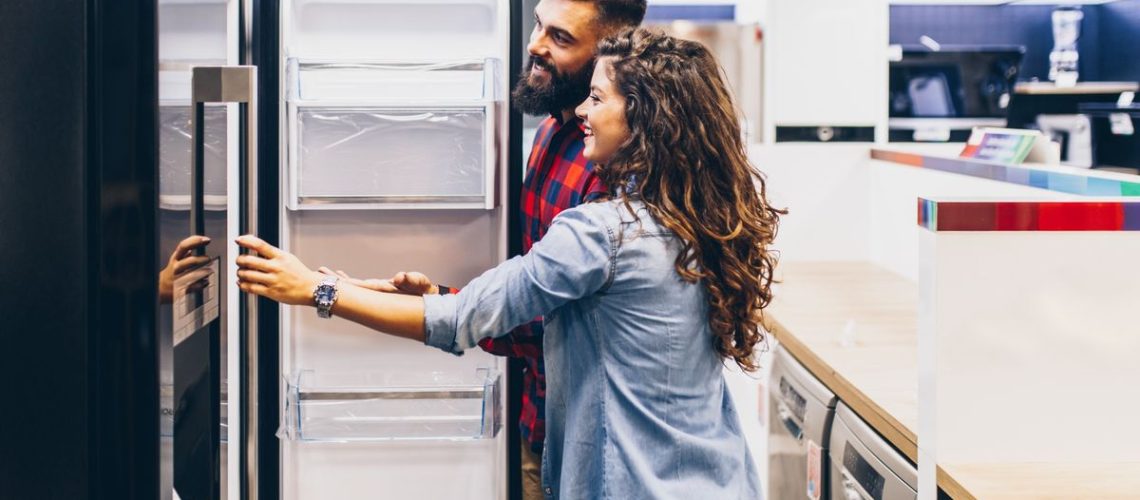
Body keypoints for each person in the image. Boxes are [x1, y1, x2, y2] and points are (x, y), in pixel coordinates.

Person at [236, 28, 781, 499]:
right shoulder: (698, 217)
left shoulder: (602, 232)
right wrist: (424, 296)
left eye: (596, 99)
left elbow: (459, 321)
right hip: (717, 478)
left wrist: (314, 292)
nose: (583, 114)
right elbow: (538, 311)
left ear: (642, 116)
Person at [320, 1, 646, 498]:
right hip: (540, 418)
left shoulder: (611, 175)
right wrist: (441, 296)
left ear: (610, 55)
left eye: (560, 38)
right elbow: (530, 286)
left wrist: (320, 292)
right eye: (539, 24)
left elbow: (553, 322)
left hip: (595, 442)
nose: (536, 44)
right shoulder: (551, 132)